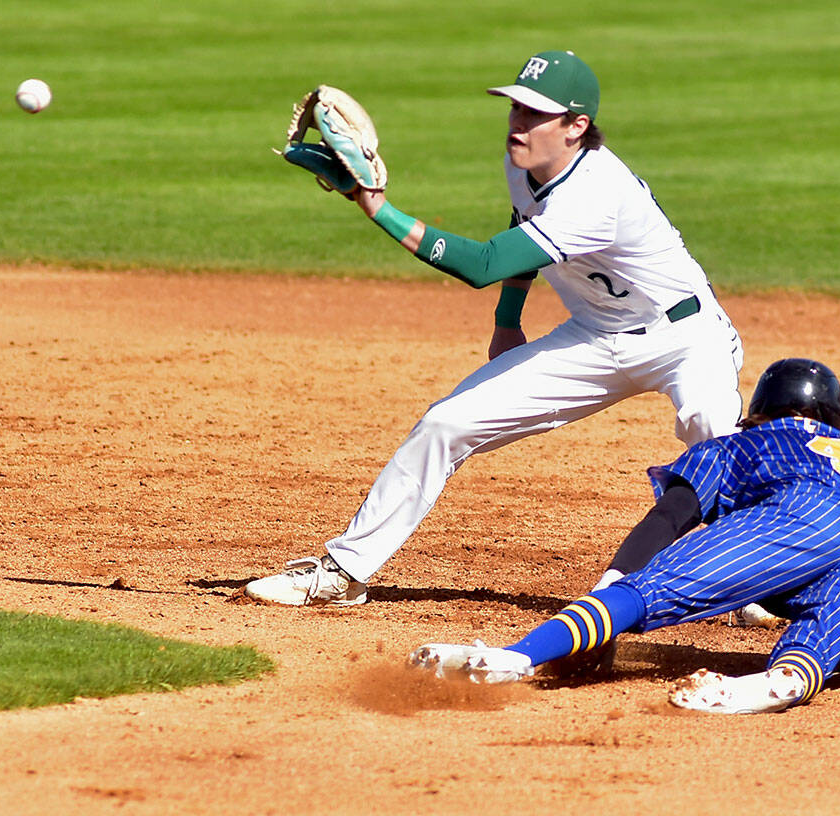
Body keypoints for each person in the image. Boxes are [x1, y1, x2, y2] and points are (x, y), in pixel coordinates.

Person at [245, 50, 743, 606]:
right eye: (515, 108)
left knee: (714, 437)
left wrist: (376, 208)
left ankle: (763, 579)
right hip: (595, 335)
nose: (518, 124)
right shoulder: (523, 163)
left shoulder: (597, 193)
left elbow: (481, 264)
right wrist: (509, 321)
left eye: (535, 114)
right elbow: (522, 220)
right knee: (446, 423)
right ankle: (344, 571)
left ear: (577, 127)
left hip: (684, 337)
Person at [408, 359, 840, 714]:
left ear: (762, 413)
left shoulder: (743, 445)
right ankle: (772, 686)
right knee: (823, 633)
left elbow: (669, 518)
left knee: (648, 591)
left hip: (797, 519)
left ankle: (516, 659)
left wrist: (610, 587)